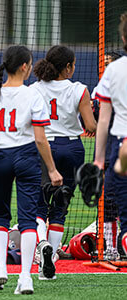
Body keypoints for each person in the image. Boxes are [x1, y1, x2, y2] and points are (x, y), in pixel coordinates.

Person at [0, 45, 62, 295]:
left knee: (0, 215)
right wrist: (52, 170)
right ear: (24, 66)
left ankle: (0, 269)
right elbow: (41, 139)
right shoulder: (33, 95)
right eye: (30, 64)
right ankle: (25, 278)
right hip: (26, 158)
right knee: (28, 219)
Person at [30, 45, 97, 279]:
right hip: (72, 148)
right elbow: (91, 127)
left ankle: (42, 249)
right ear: (67, 67)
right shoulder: (79, 89)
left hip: (44, 147)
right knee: (60, 208)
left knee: (38, 206)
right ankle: (52, 256)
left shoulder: (34, 89)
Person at [93, 12, 127, 259]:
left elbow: (102, 120)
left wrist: (98, 159)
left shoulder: (114, 72)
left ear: (123, 37)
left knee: (116, 192)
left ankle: (121, 239)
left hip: (120, 141)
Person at [91, 50, 123, 261]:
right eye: (102, 63)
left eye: (108, 63)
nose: (104, 67)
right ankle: (111, 247)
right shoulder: (98, 89)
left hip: (117, 144)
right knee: (109, 200)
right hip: (112, 147)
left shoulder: (117, 82)